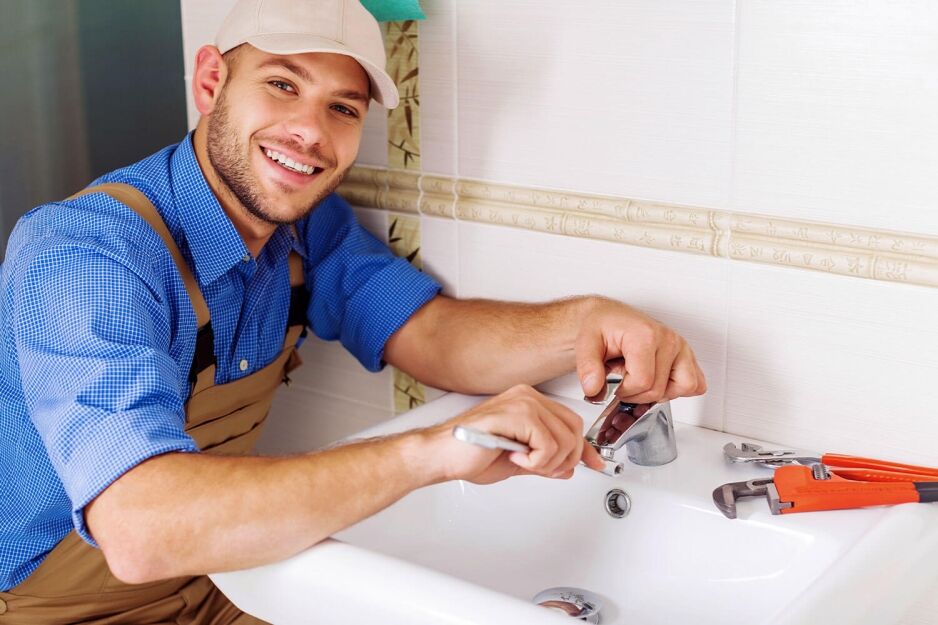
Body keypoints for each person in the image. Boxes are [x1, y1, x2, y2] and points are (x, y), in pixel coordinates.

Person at [0, 0, 707, 622]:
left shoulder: (302, 228)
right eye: (282, 85)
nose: (310, 132)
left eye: (342, 107)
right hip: (50, 608)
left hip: (218, 582)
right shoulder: (87, 255)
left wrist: (585, 323)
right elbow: (138, 527)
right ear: (211, 81)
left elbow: (432, 333)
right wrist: (434, 450)